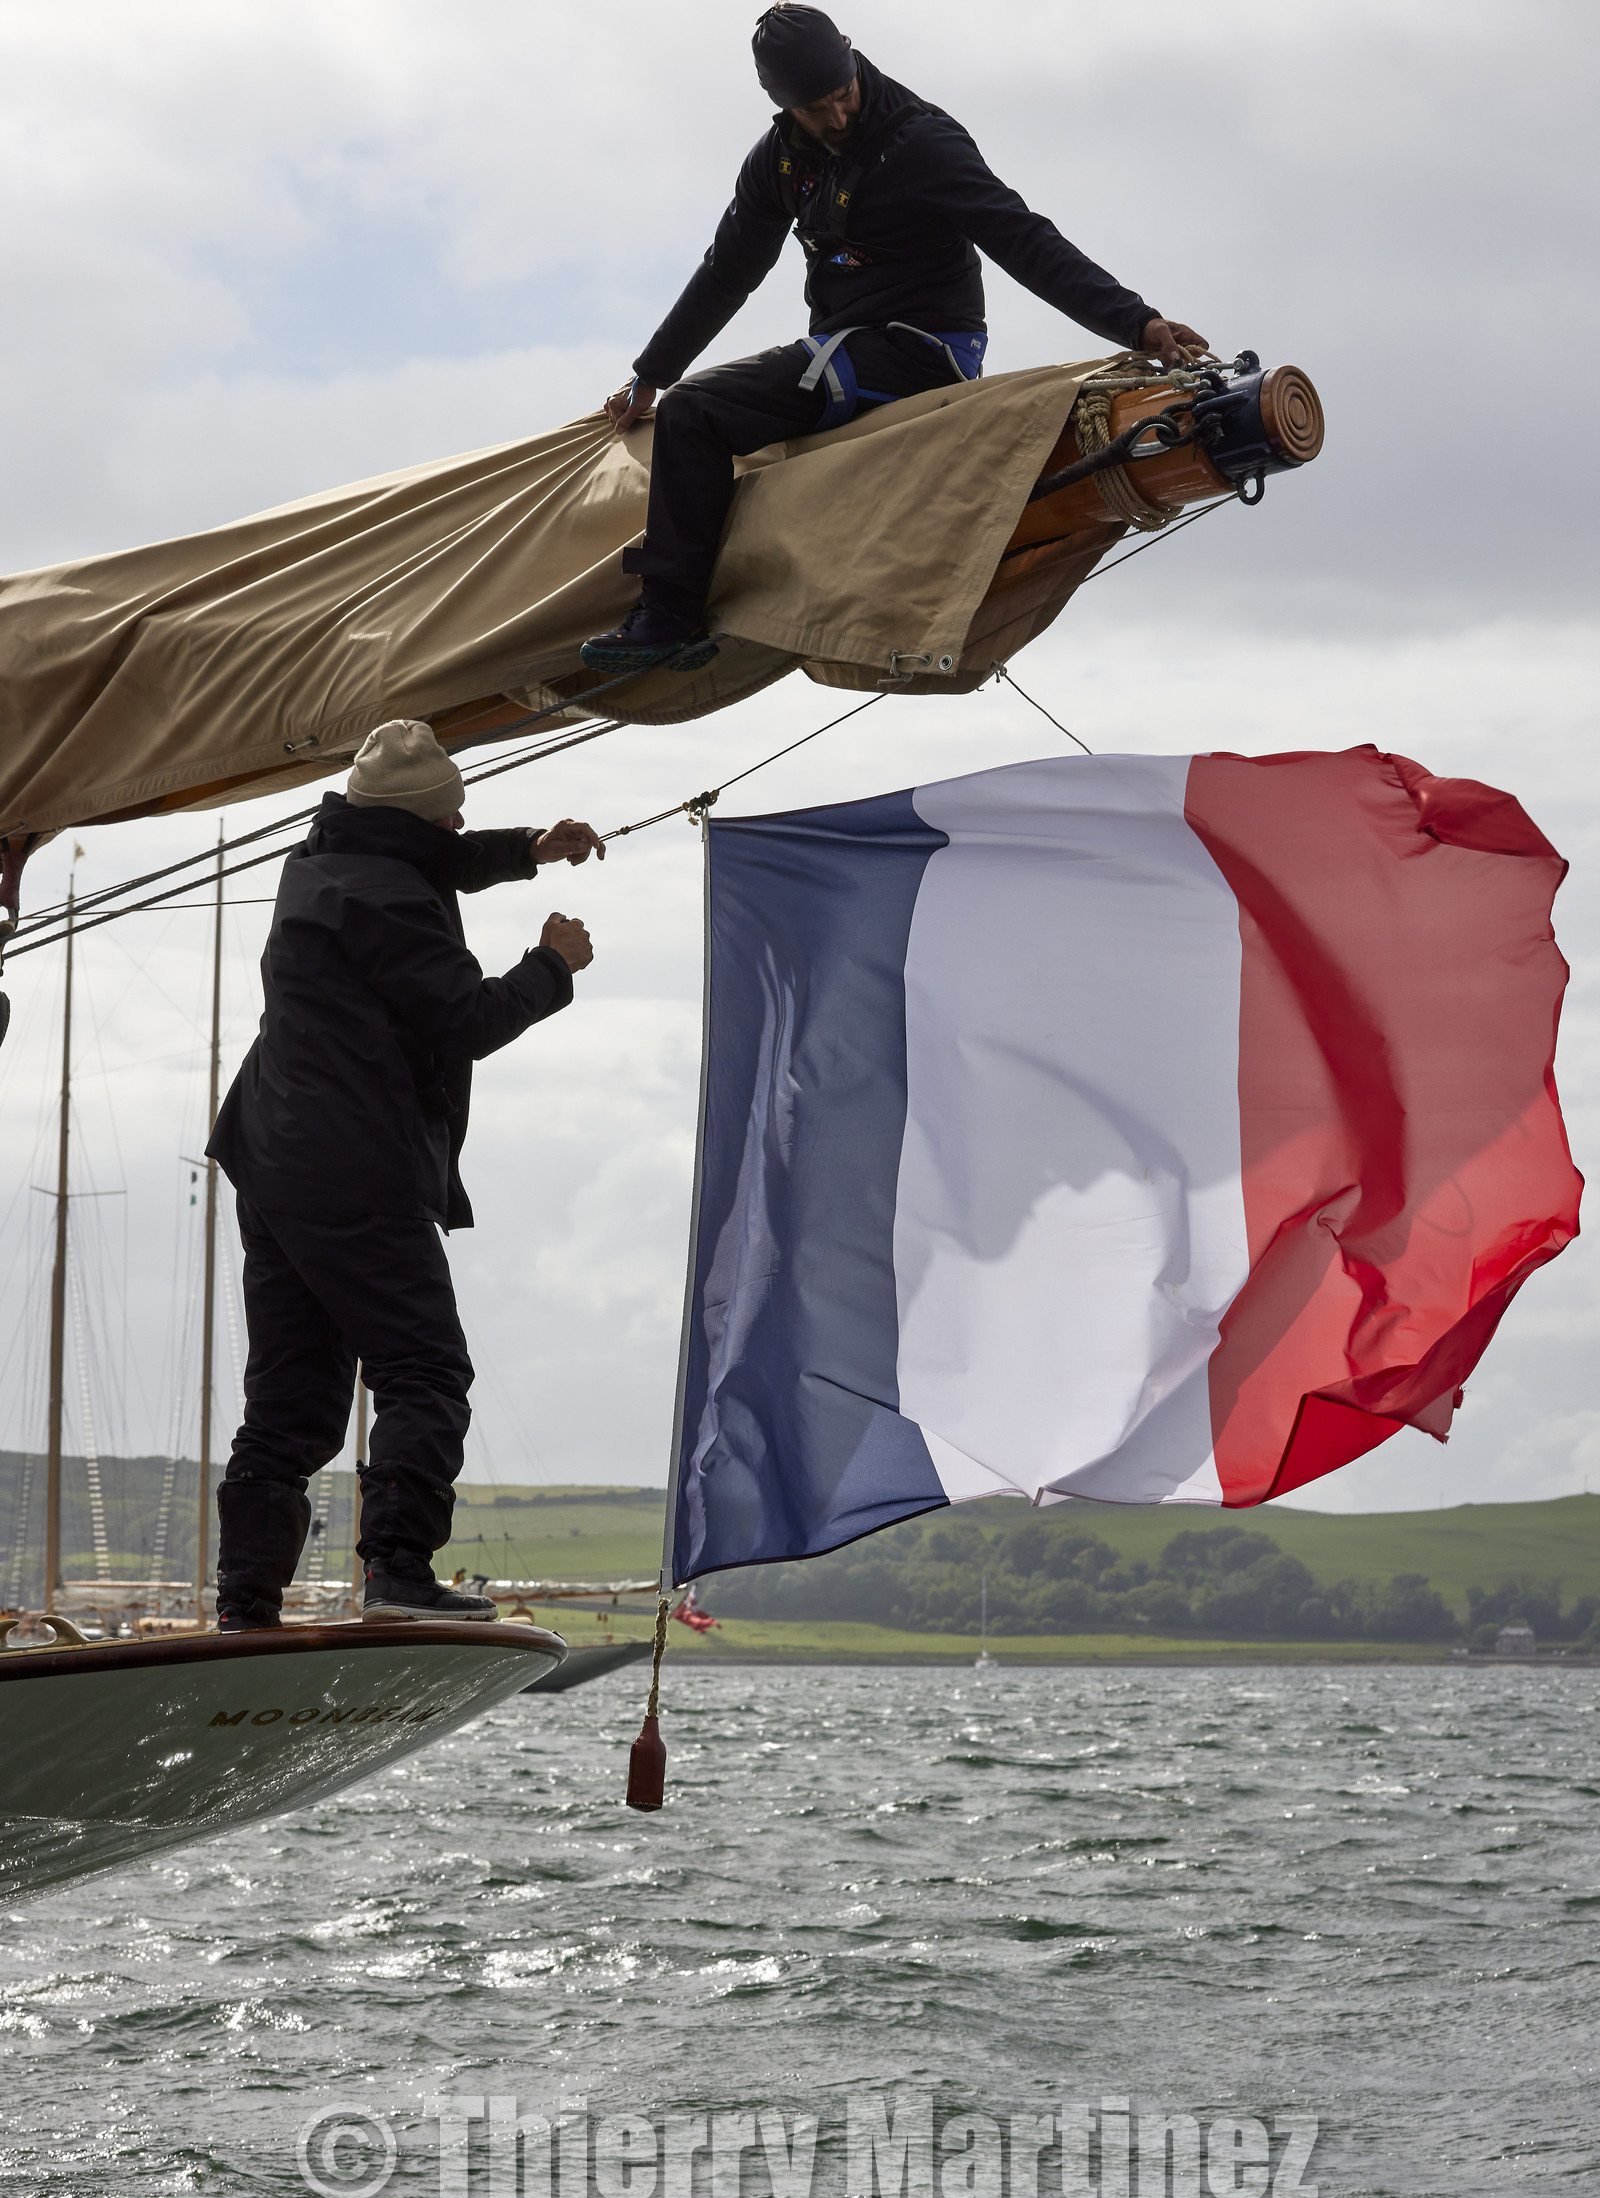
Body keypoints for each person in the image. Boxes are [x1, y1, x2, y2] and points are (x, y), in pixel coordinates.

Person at [581, 2, 1205, 674]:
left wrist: (1136, 321)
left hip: (924, 349)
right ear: (780, 102)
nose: (838, 116)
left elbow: (1022, 238)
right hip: (846, 347)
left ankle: (668, 616)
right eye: (818, 107)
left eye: (843, 93)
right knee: (687, 405)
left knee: (695, 413)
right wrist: (651, 373)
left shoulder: (920, 141)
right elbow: (727, 271)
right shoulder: (778, 163)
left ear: (853, 61)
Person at [206, 719, 603, 1629]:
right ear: (426, 824)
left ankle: (246, 1605)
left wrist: (527, 849)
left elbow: (421, 852)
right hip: (353, 1165)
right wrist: (552, 965)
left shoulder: (321, 858)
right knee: (425, 1370)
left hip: (272, 1156)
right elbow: (467, 1019)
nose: (460, 830)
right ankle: (396, 1572)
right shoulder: (391, 899)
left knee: (290, 1402)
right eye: (455, 818)